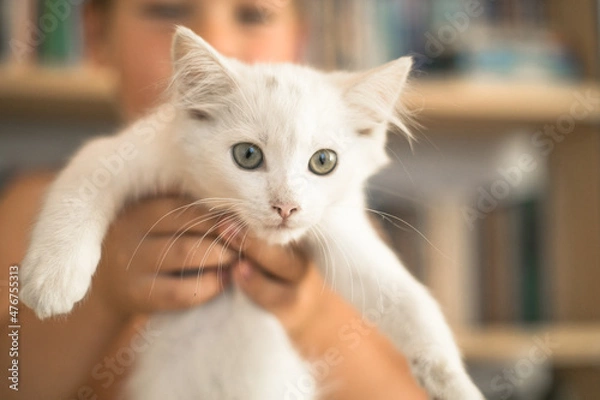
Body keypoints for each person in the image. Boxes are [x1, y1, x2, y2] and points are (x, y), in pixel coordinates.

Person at [0, 1, 427, 399]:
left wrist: (311, 313)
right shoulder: (34, 205)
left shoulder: (331, 218)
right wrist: (103, 294)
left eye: (252, 15)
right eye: (168, 10)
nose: (215, 43)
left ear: (299, 43)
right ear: (97, 36)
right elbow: (11, 375)